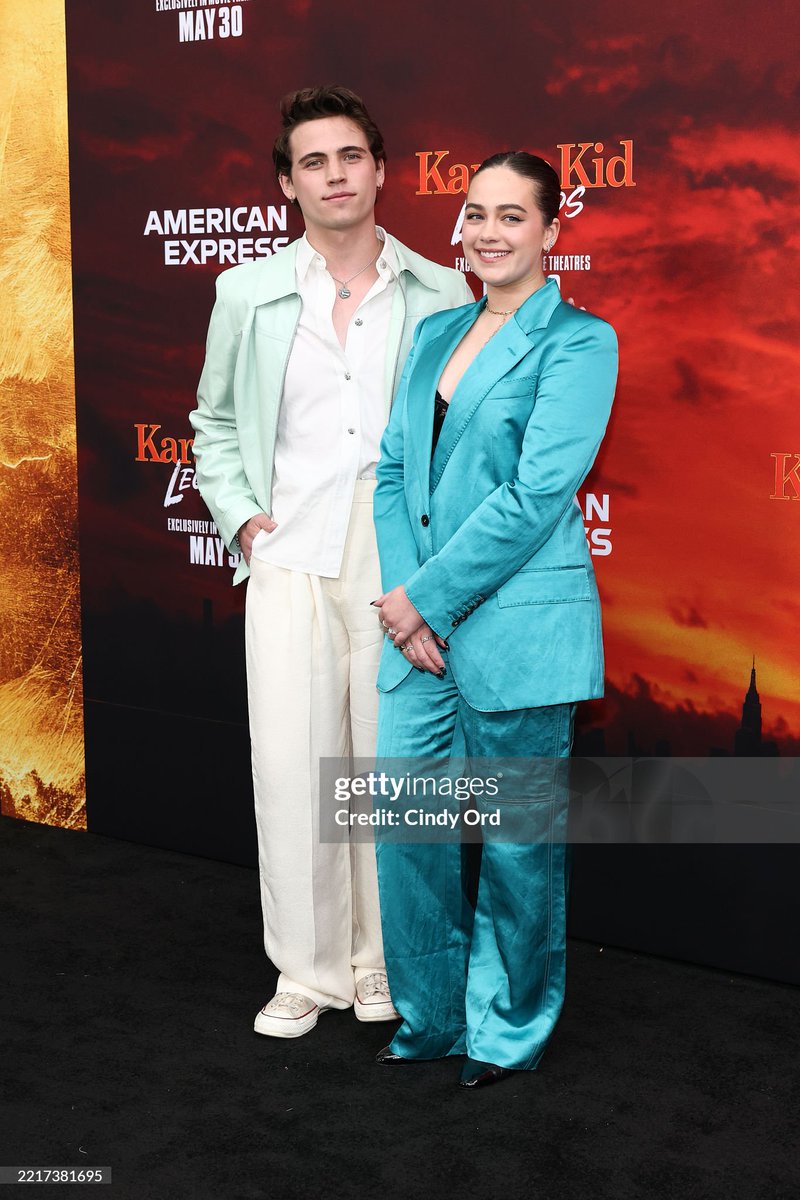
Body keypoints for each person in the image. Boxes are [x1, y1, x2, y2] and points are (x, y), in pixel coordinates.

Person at [190, 86, 473, 1039]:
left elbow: (463, 434)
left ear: (382, 170)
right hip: (289, 549)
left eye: (350, 156)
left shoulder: (442, 289)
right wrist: (242, 521)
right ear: (287, 183)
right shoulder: (247, 292)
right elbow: (215, 422)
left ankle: (382, 960)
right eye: (314, 161)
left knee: (388, 765)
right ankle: (305, 972)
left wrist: (437, 570)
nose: (335, 174)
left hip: (398, 560)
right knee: (295, 764)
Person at [371, 151, 618, 1086]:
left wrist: (424, 596)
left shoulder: (581, 343)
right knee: (407, 833)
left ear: (552, 232)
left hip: (516, 630)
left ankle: (506, 1031)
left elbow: (539, 492)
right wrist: (408, 610)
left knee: (519, 848)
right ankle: (432, 1019)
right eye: (476, 213)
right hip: (416, 639)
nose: (489, 233)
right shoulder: (434, 334)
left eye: (513, 217)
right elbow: (393, 471)